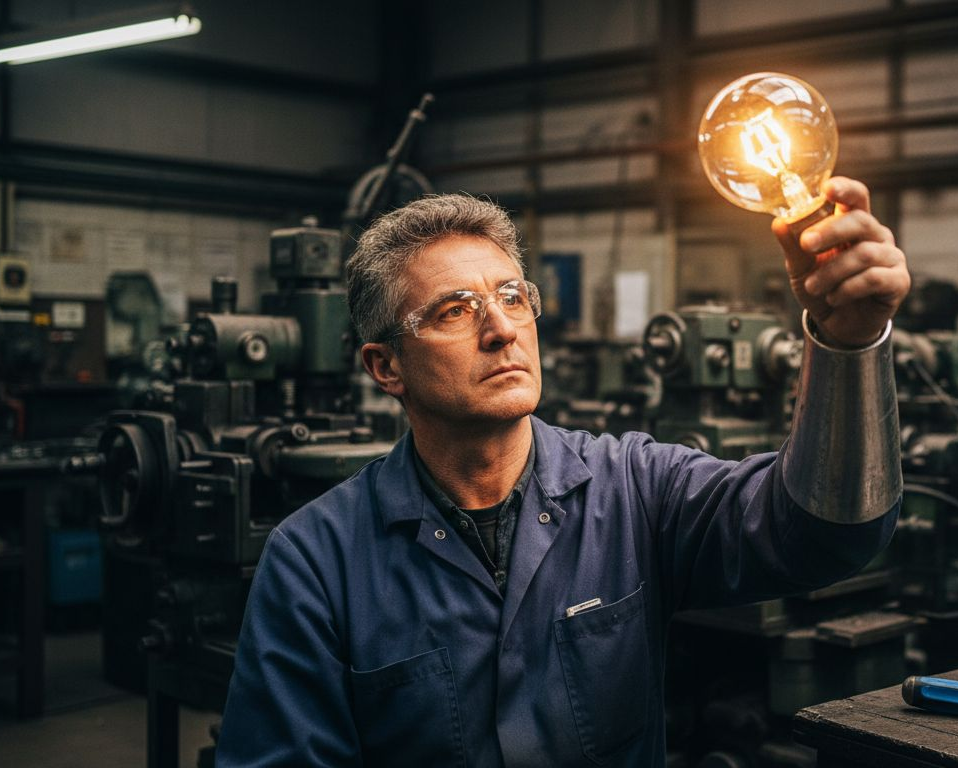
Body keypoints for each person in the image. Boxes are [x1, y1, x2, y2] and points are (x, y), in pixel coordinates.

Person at [217, 176, 909, 767]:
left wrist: (847, 345)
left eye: (513, 298)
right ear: (385, 367)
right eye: (456, 311)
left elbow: (823, 530)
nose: (501, 329)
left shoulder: (636, 489)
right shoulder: (315, 561)